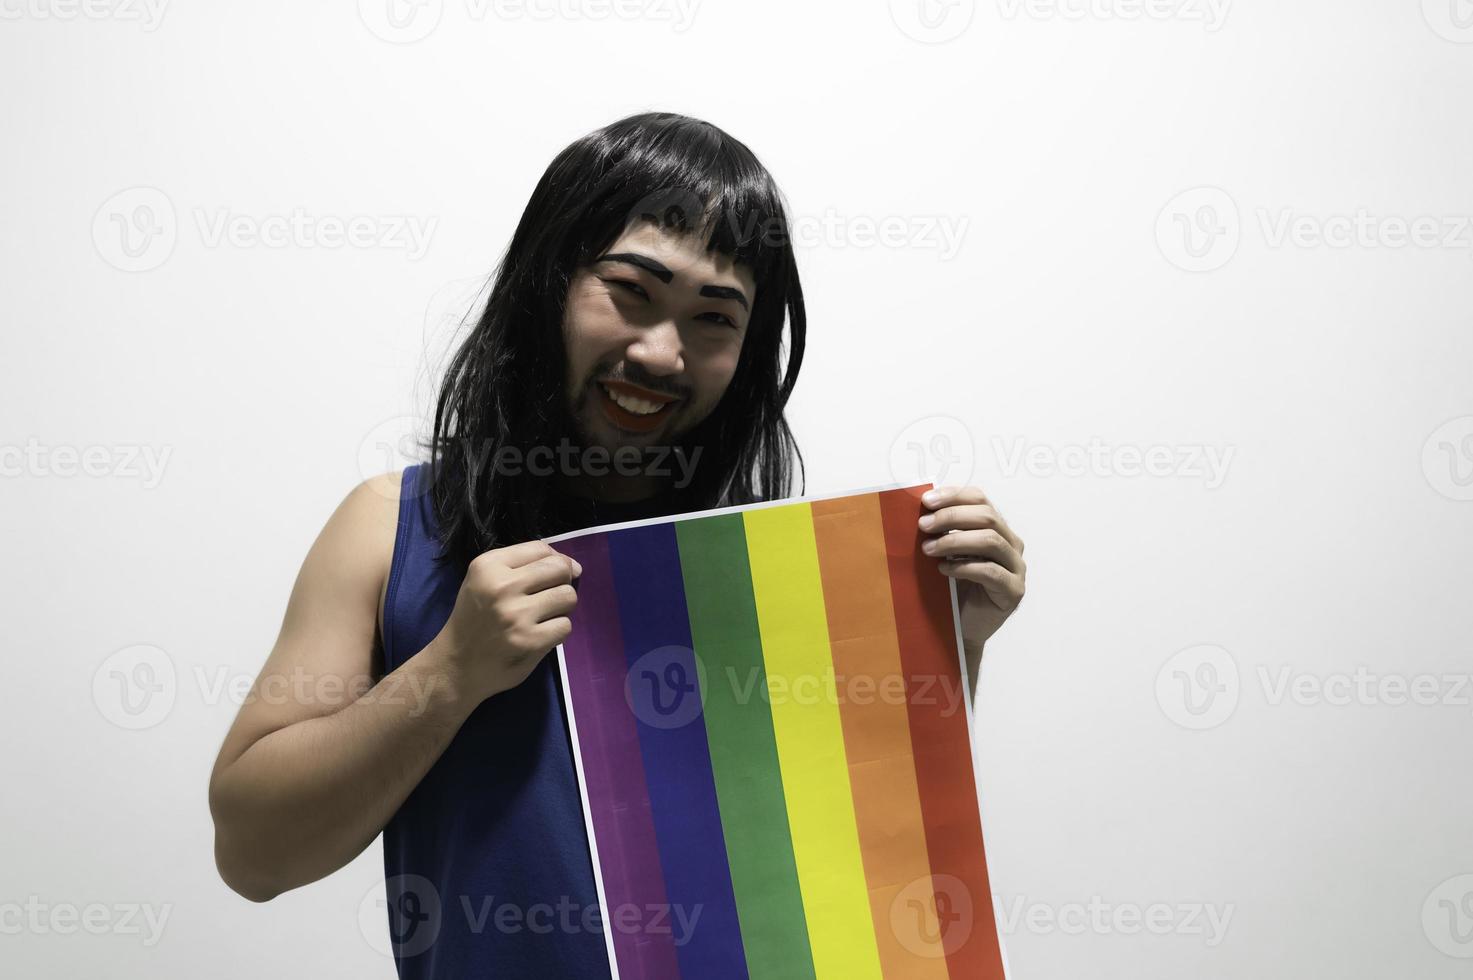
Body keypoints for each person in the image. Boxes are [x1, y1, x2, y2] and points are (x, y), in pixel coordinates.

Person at [207, 111, 1027, 978]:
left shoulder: (777, 566)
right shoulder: (391, 524)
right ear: (548, 283)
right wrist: (449, 673)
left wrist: (947, 636)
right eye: (630, 292)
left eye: (715, 319)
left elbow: (862, 861)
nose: (662, 352)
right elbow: (254, 854)